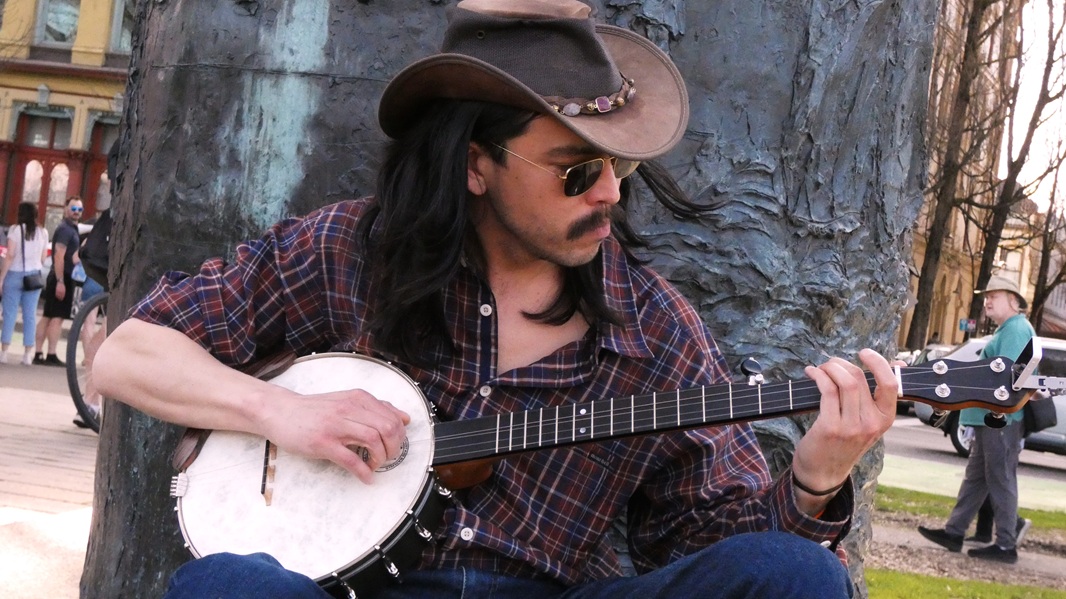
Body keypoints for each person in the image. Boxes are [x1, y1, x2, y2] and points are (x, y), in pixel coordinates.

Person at [94, 2, 900, 597]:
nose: (611, 193)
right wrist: (284, 414)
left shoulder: (652, 327)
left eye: (621, 167)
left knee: (793, 576)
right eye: (577, 170)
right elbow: (128, 354)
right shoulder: (350, 252)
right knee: (229, 589)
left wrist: (813, 481)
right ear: (477, 165)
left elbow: (711, 546)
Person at [918, 274, 1034, 564]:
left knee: (1000, 479)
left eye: (994, 295)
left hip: (1000, 419)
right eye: (987, 296)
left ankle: (1006, 545)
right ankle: (954, 532)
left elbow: (1003, 378)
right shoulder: (1008, 329)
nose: (987, 301)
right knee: (977, 478)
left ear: (1013, 300)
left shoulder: (1016, 329)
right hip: (991, 418)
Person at [34, 196, 83, 366]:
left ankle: (38, 352)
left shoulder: (70, 229)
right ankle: (51, 354)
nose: (76, 212)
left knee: (48, 315)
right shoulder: (65, 230)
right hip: (62, 276)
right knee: (57, 317)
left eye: (79, 209)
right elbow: (59, 255)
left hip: (60, 275)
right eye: (73, 208)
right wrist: (60, 280)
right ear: (65, 208)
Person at [0, 202, 49, 365]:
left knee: (9, 314)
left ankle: (4, 351)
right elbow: (43, 259)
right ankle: (28, 353)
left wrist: (1, 278)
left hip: (14, 275)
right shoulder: (43, 233)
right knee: (30, 315)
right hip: (34, 277)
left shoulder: (15, 230)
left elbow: (10, 255)